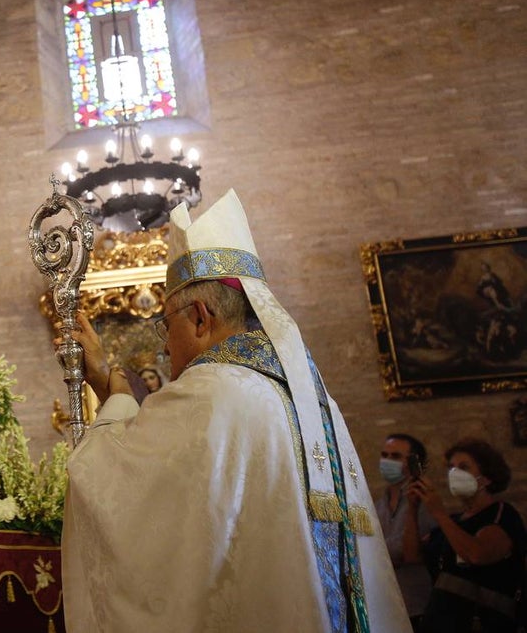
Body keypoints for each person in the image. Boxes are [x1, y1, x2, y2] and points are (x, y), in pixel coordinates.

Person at [62, 189, 410, 632]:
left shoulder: (212, 391)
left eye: (166, 326)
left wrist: (112, 388)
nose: (165, 348)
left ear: (200, 317)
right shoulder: (306, 396)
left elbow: (112, 491)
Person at [406, 438, 526, 633]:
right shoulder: (454, 521)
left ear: (486, 478)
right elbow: (412, 555)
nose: (454, 473)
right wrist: (412, 509)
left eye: (463, 467)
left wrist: (439, 513)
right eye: (451, 467)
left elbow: (477, 554)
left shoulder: (501, 514)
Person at [375, 433, 437, 628]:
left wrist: (379, 554)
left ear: (412, 463)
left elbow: (410, 551)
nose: (387, 461)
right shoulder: (378, 505)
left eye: (395, 456)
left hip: (417, 605)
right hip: (387, 606)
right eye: (384, 455)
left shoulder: (424, 502)